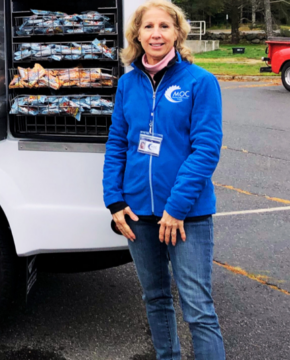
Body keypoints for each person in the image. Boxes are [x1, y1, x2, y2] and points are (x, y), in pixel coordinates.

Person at [102, 1, 225, 359]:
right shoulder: (127, 84)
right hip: (138, 213)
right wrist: (115, 201)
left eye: (164, 26)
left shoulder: (200, 82)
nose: (156, 33)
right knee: (155, 299)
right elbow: (116, 144)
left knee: (198, 308)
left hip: (187, 216)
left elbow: (205, 151)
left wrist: (175, 208)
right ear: (137, 35)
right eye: (148, 26)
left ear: (177, 33)